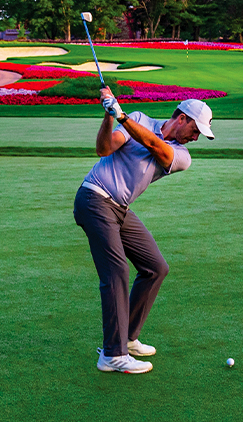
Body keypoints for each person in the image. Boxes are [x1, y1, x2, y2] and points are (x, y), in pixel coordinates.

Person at [73, 87, 215, 374]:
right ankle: (112, 355)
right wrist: (109, 117)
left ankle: (127, 337)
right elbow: (103, 149)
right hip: (94, 199)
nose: (196, 137)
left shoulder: (181, 155)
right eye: (196, 129)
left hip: (119, 208)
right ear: (182, 118)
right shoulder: (139, 118)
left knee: (155, 267)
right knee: (116, 273)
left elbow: (154, 146)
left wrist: (122, 117)